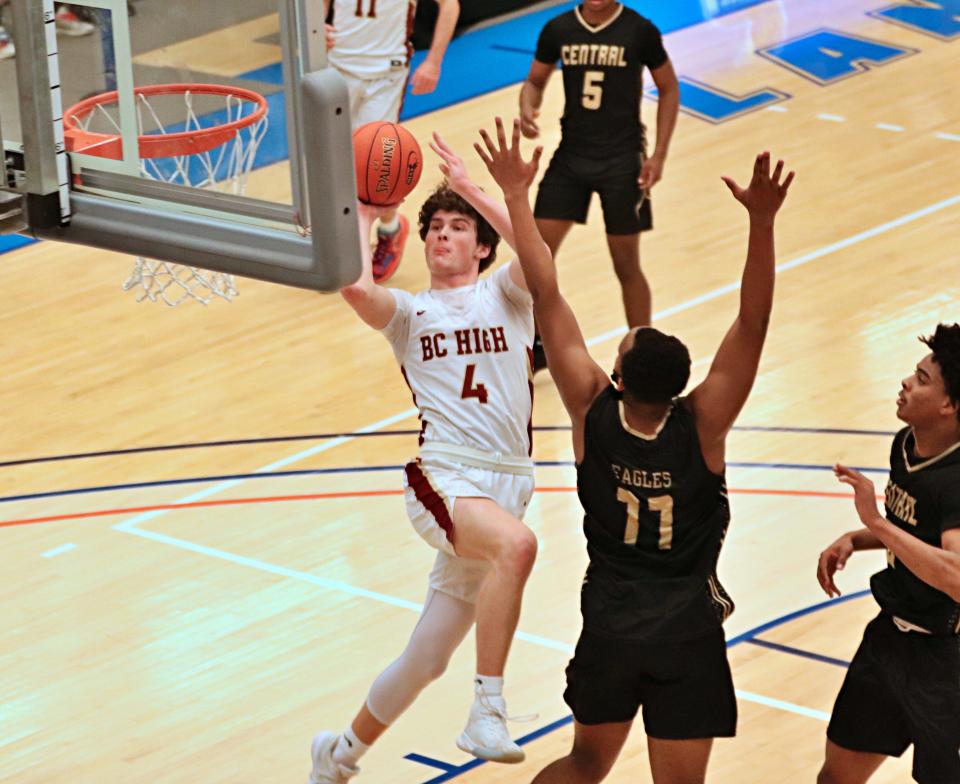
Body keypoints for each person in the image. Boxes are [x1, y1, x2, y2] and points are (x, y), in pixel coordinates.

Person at [474, 117, 793, 783]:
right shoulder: (703, 425)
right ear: (680, 388)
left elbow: (546, 290)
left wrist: (514, 195)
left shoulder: (591, 408)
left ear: (618, 379)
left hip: (611, 624)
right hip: (687, 633)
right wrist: (761, 223)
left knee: (585, 762)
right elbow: (755, 324)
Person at [308, 134, 540, 783]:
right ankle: (486, 710)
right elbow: (356, 287)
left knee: (426, 657)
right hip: (444, 476)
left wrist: (471, 188)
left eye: (457, 227)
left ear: (482, 245)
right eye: (434, 226)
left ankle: (338, 755)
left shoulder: (509, 296)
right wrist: (363, 203)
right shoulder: (413, 314)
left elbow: (537, 251)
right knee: (517, 548)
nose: (441, 235)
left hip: (507, 482)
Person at [816, 323, 960, 784]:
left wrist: (875, 522)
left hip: (947, 657)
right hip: (889, 641)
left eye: (921, 379)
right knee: (835, 778)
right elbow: (918, 532)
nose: (905, 381)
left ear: (949, 405)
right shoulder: (907, 444)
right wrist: (859, 539)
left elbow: (957, 577)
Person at [519, 0, 680, 369]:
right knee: (534, 258)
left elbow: (668, 88)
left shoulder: (640, 30)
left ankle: (642, 354)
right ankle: (535, 342)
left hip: (623, 162)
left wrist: (659, 155)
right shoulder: (558, 29)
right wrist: (527, 105)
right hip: (571, 156)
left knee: (626, 263)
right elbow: (534, 81)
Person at [324, 0, 460, 284]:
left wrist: (433, 62)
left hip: (386, 75)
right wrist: (316, 29)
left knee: (375, 165)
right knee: (332, 161)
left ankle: (389, 230)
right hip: (336, 67)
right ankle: (340, 240)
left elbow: (450, 6)